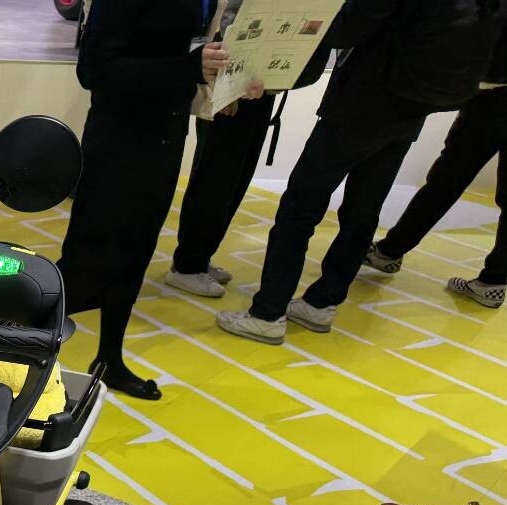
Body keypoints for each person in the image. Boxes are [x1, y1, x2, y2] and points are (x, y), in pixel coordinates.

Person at [218, 0, 507, 345]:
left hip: (362, 100)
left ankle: (267, 313)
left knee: (301, 205)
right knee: (363, 211)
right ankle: (322, 303)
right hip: (414, 105)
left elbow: (346, 30)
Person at [58, 0, 231, 400]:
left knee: (135, 253)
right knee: (88, 259)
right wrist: (188, 68)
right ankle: (18, 356)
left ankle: (109, 358)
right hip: (119, 142)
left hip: (164, 137)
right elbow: (94, 70)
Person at [165, 2, 330, 299]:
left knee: (235, 178)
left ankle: (199, 257)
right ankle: (188, 263)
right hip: (233, 86)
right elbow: (234, 24)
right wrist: (226, 86)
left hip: (258, 85)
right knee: (216, 178)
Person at [364, 32, 507, 309]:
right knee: (449, 179)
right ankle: (494, 282)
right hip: (493, 92)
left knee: (447, 179)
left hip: (493, 95)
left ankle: (389, 252)